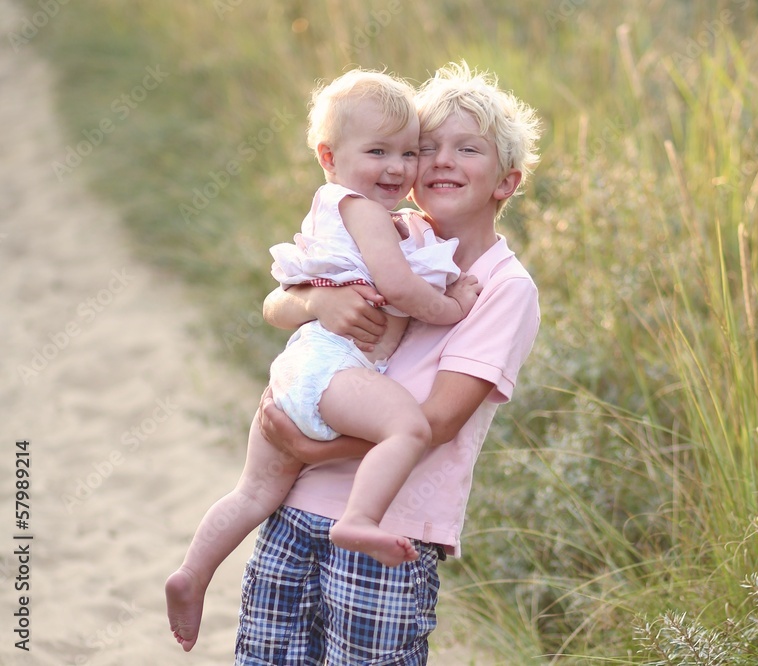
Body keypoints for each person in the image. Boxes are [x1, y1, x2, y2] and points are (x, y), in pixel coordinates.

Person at [234, 61, 542, 665]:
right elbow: (279, 297)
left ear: (506, 182)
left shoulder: (504, 286)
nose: (442, 161)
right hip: (296, 508)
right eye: (427, 148)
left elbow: (440, 420)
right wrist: (317, 300)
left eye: (468, 149)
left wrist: (313, 447)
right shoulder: (390, 232)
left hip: (392, 526)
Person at [165, 68, 482, 652]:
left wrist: (316, 299)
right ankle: (359, 518)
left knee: (254, 493)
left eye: (408, 153)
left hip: (302, 371)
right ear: (329, 156)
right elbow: (397, 288)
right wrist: (452, 306)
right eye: (378, 151)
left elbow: (288, 298)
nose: (397, 167)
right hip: (331, 366)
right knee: (408, 425)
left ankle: (191, 574)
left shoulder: (358, 214)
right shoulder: (360, 209)